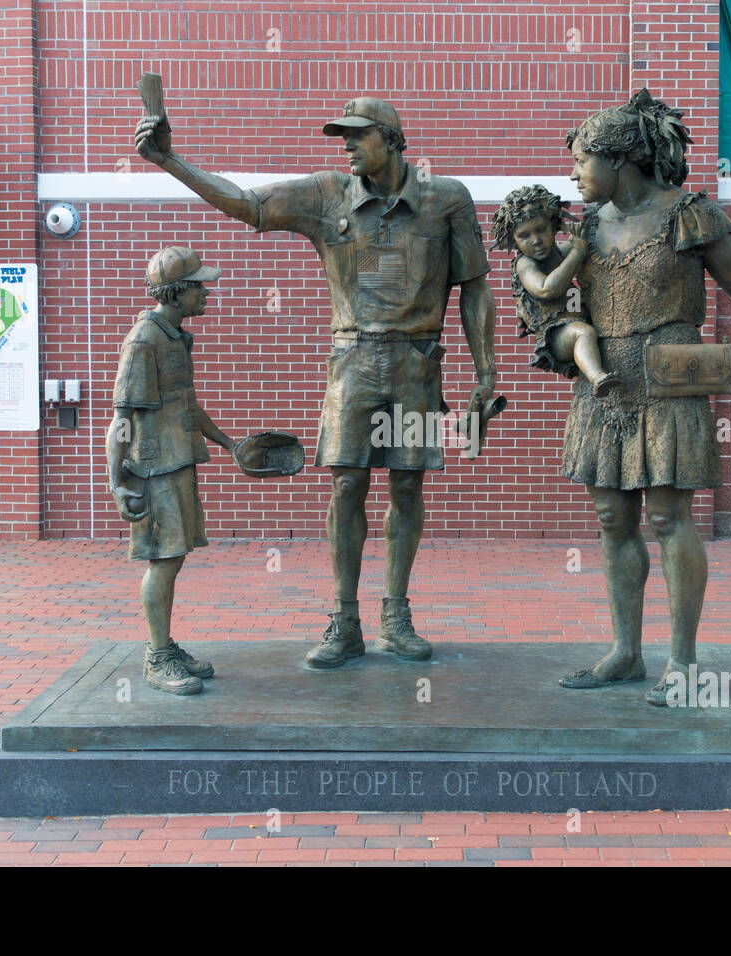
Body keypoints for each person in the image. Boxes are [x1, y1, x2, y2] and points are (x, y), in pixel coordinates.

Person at [135, 96, 498, 669]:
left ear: (391, 138)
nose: (346, 146)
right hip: (352, 362)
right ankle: (344, 619)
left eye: (357, 136)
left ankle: (396, 615)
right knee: (346, 486)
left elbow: (475, 286)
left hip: (416, 364)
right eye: (342, 137)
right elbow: (247, 205)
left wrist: (486, 371)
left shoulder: (444, 198)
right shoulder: (327, 194)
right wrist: (170, 160)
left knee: (407, 486)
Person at [554, 90, 731, 704]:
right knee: (613, 518)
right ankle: (625, 651)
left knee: (669, 518)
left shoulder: (689, 216)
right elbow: (559, 305)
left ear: (619, 160)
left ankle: (684, 662)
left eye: (581, 161)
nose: (572, 174)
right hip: (607, 383)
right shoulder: (586, 227)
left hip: (670, 379)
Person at [106, 246, 247, 695]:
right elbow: (121, 419)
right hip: (154, 469)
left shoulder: (174, 336)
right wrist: (116, 484)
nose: (207, 292)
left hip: (177, 461)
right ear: (178, 292)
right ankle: (157, 656)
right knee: (163, 560)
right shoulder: (144, 341)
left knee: (175, 556)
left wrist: (229, 444)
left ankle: (165, 645)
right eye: (199, 285)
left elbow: (186, 406)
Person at [491, 184, 618, 395]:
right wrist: (578, 251)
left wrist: (597, 216)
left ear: (553, 226)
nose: (536, 241)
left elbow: (583, 240)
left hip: (578, 319)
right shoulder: (525, 265)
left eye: (541, 230)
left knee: (586, 329)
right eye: (524, 236)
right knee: (583, 333)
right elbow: (546, 289)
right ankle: (598, 378)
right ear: (513, 239)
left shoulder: (558, 253)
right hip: (557, 333)